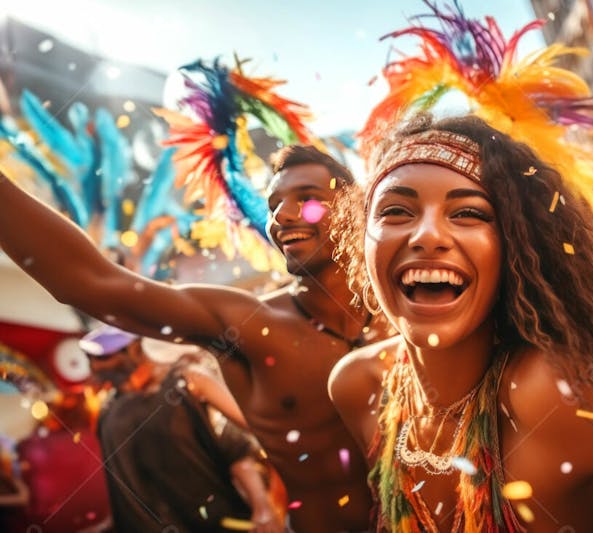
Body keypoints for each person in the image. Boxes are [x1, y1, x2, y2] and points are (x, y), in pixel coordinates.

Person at [328, 113, 593, 532]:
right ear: (360, 242)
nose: (426, 235)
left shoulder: (567, 390)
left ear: (515, 246)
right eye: (395, 212)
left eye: (469, 213)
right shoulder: (356, 386)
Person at [0, 144, 390, 532]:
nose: (282, 216)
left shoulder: (407, 317)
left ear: (355, 208)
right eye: (273, 205)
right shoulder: (250, 325)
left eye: (307, 199)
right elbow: (93, 284)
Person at [81, 325, 276, 532]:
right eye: (89, 358)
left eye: (103, 358)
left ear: (135, 349)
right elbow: (124, 483)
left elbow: (236, 445)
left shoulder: (187, 379)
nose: (94, 367)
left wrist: (263, 507)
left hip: (214, 524)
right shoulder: (108, 412)